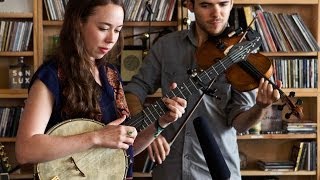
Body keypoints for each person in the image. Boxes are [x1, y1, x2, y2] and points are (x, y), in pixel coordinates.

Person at [14, 0, 187, 179]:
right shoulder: (51, 76)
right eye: (103, 28)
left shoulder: (111, 74)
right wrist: (97, 137)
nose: (112, 38)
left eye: (117, 30)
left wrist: (160, 123)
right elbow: (25, 150)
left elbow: (125, 150)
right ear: (78, 23)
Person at [124, 0, 281, 179]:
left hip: (216, 170)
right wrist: (149, 131)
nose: (217, 13)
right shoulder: (166, 46)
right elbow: (134, 91)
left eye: (223, 4)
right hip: (170, 169)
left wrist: (260, 108)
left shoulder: (240, 52)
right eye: (206, 5)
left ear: (231, 4)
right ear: (190, 6)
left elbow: (239, 123)